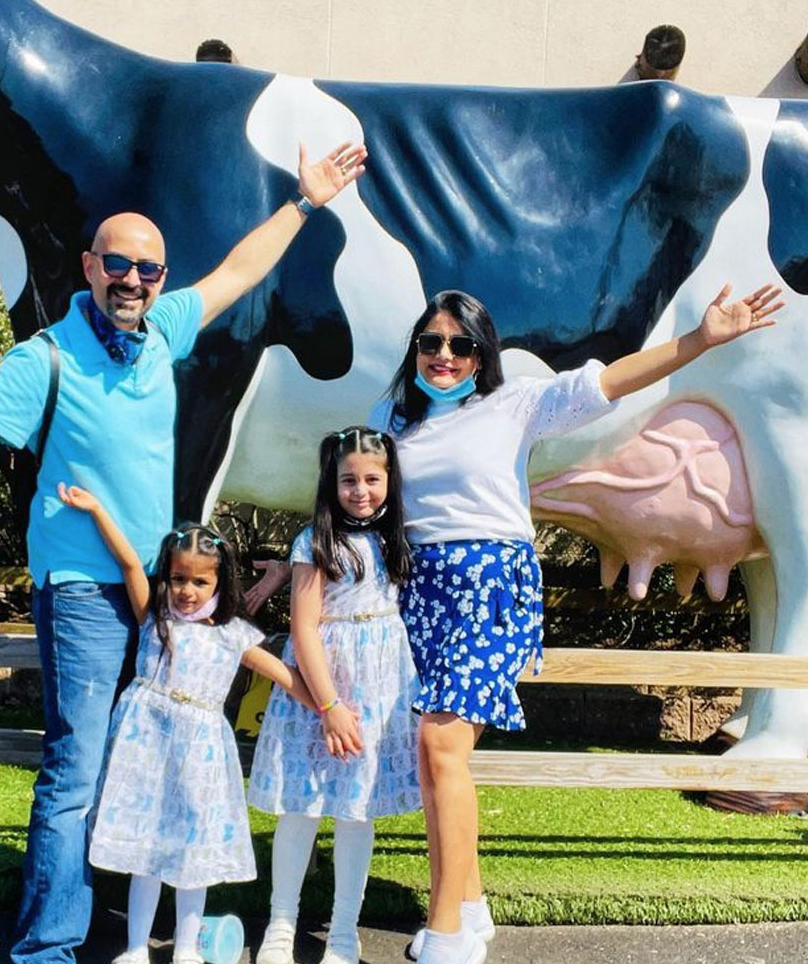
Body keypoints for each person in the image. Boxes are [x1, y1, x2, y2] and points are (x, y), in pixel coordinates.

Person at [0, 140, 366, 964]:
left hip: (158, 596)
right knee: (77, 770)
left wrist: (303, 203)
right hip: (84, 593)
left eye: (148, 269)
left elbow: (238, 271)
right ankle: (47, 950)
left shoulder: (162, 332)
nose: (133, 279)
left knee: (143, 761)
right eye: (117, 263)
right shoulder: (44, 359)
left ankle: (133, 930)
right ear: (90, 267)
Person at [246, 281, 785, 964]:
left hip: (492, 588)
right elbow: (362, 504)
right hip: (417, 594)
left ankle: (446, 931)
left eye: (461, 344)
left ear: (482, 354)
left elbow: (610, 382)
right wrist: (299, 563)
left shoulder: (515, 404)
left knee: (441, 744)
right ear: (416, 348)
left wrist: (701, 340)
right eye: (432, 341)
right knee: (435, 755)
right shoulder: (391, 417)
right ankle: (470, 906)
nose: (445, 354)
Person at [57, 481, 314, 964]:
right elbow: (129, 563)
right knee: (146, 852)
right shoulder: (155, 616)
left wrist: (330, 708)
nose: (187, 591)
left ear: (219, 582)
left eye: (200, 582)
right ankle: (136, 947)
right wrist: (96, 510)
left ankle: (188, 948)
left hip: (200, 753)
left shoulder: (233, 634)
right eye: (178, 578)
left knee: (190, 852)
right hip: (145, 747)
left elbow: (284, 675)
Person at [247, 426, 421, 964]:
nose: (360, 490)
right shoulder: (314, 541)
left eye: (372, 479)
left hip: (379, 687)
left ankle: (344, 929)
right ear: (332, 482)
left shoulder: (398, 538)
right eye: (349, 480)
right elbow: (304, 629)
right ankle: (281, 921)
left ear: (389, 480)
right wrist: (329, 706)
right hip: (322, 687)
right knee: (300, 808)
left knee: (356, 810)